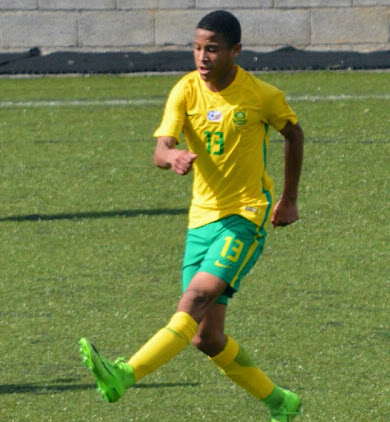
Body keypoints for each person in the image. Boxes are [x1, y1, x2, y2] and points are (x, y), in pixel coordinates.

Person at [78, 10, 304, 422]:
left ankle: (124, 374)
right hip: (200, 220)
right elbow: (160, 149)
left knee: (195, 298)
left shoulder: (261, 96)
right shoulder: (184, 91)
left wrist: (288, 199)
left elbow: (294, 132)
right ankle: (280, 403)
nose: (202, 57)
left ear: (235, 51)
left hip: (245, 215)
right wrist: (173, 156)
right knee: (207, 337)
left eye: (212, 49)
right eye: (197, 47)